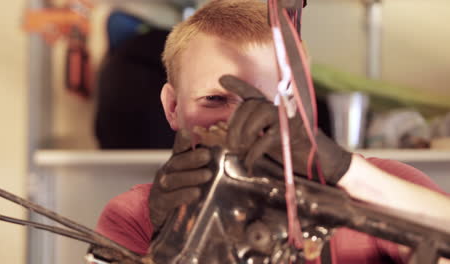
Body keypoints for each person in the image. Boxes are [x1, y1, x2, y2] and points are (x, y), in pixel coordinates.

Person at [95, 0, 450, 263]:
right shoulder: (134, 216)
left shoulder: (386, 186)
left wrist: (349, 174)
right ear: (173, 107)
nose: (238, 123)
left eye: (264, 102)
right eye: (214, 99)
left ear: (298, 103)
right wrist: (168, 240)